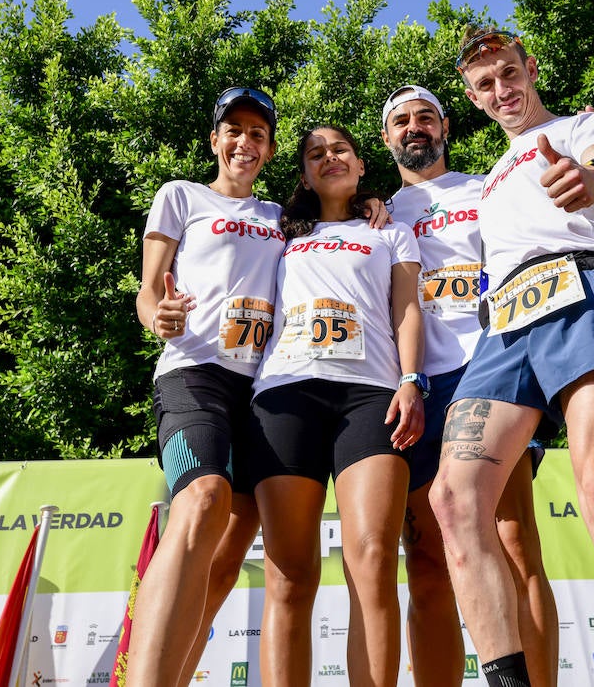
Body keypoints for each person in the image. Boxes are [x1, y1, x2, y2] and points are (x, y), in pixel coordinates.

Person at [430, 27, 594, 687]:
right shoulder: (489, 178)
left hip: (577, 290)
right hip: (504, 324)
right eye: (485, 84)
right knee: (453, 499)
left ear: (530, 69)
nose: (502, 90)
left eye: (509, 74)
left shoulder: (580, 125)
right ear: (472, 99)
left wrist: (591, 179)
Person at [379, 85, 559, 687]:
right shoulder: (374, 214)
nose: (414, 127)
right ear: (387, 138)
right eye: (401, 121)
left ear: (447, 126)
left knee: (513, 544)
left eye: (426, 117)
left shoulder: (487, 186)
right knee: (428, 564)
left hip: (490, 370)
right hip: (414, 388)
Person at [249, 124, 427, 687]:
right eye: (315, 154)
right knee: (289, 576)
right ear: (302, 173)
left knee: (373, 562)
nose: (330, 158)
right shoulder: (278, 232)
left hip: (371, 394)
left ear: (360, 164)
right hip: (285, 394)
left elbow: (407, 310)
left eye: (341, 149)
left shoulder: (391, 231)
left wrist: (411, 380)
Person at [126, 86, 283, 687]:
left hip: (266, 388)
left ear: (268, 151)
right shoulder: (180, 196)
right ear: (215, 140)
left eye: (258, 134)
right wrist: (156, 316)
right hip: (194, 371)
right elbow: (148, 292)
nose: (245, 142)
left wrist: (373, 204)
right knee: (202, 500)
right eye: (234, 131)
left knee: (223, 562)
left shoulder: (282, 216)